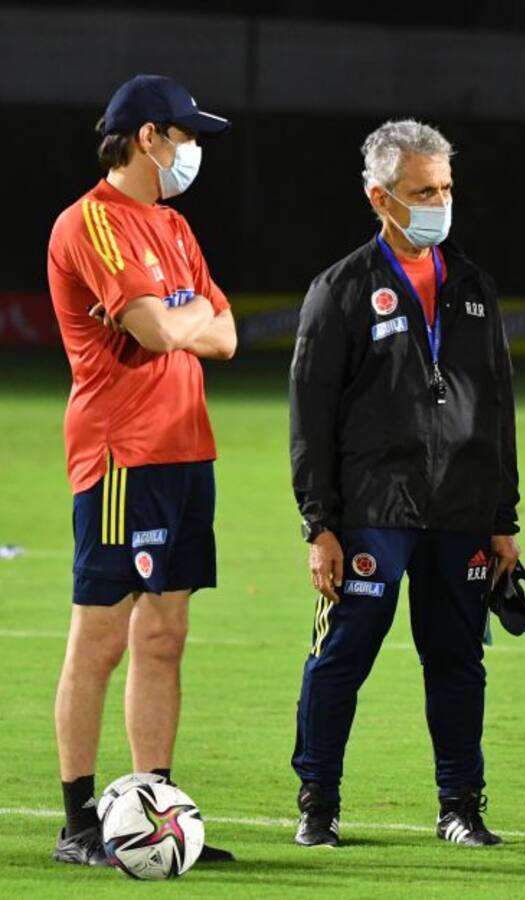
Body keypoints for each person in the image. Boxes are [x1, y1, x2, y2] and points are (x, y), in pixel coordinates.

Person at [289, 119, 520, 848]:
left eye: (447, 188)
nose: (440, 203)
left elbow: (499, 408)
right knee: (344, 655)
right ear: (379, 197)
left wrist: (503, 517)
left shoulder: (475, 287)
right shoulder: (341, 290)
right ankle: (318, 802)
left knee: (458, 661)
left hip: (461, 512)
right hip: (370, 512)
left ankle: (461, 806)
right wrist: (318, 524)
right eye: (424, 191)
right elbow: (309, 416)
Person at [45, 73, 237, 866]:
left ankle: (156, 812)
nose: (194, 148)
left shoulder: (175, 227)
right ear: (149, 137)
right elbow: (162, 330)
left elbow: (223, 337)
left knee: (165, 638)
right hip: (124, 455)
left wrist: (182, 319)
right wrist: (186, 317)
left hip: (188, 448)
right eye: (187, 134)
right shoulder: (91, 223)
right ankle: (79, 821)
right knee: (102, 640)